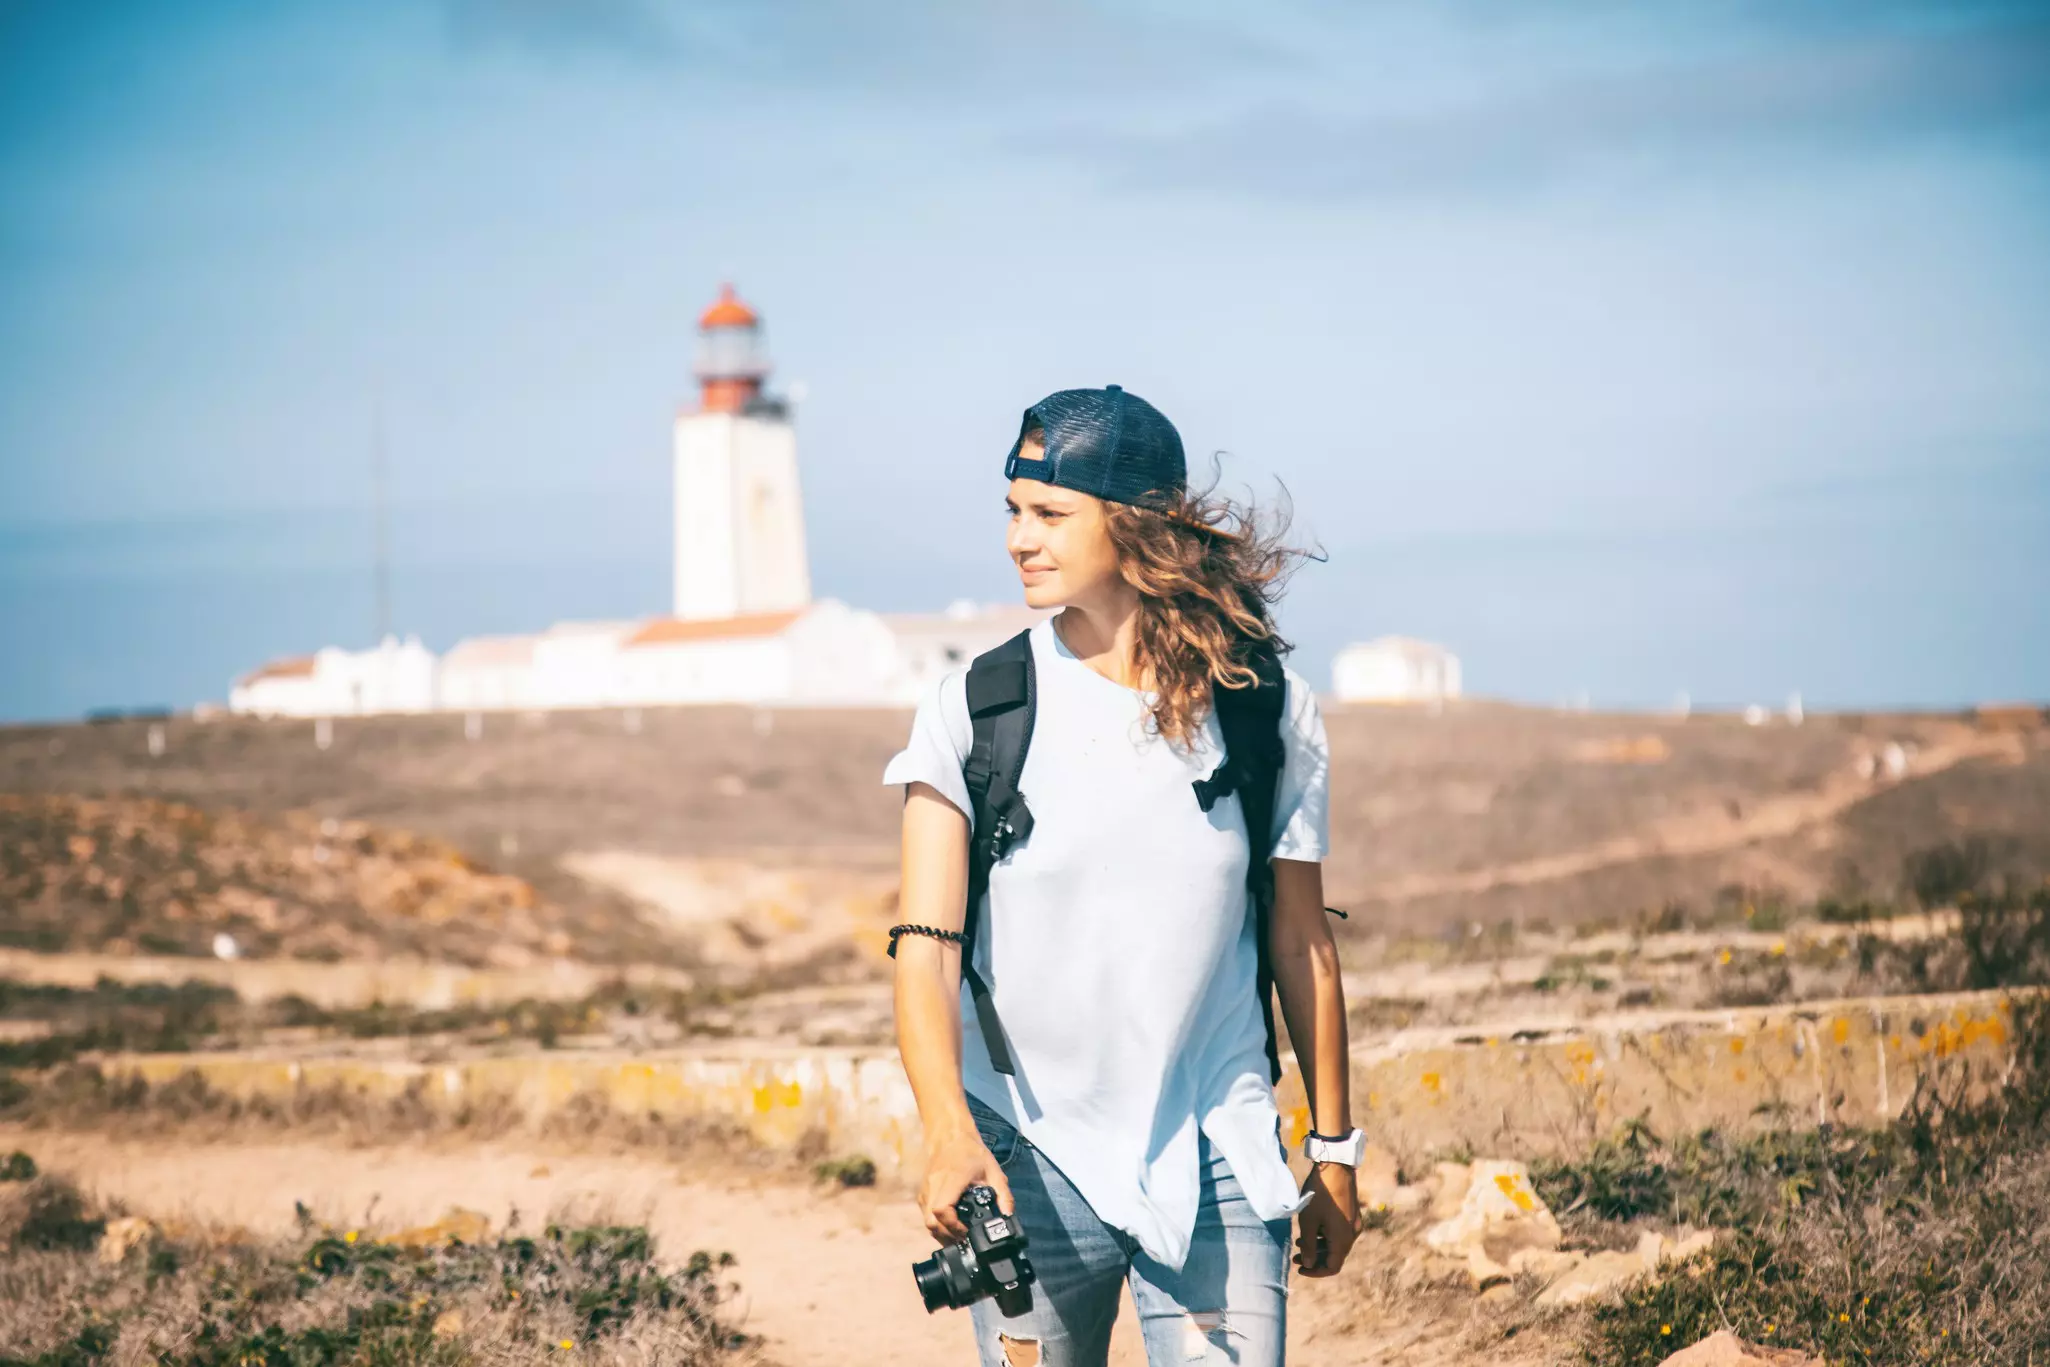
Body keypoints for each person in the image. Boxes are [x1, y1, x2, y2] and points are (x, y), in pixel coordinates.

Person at [883, 385, 1363, 1367]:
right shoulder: (975, 709)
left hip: (1217, 1146)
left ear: (1136, 523)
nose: (1020, 537)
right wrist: (945, 1132)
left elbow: (1301, 939)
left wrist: (1337, 1149)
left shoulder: (1262, 706)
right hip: (1026, 1155)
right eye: (1012, 510)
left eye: (1050, 513)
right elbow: (924, 952)